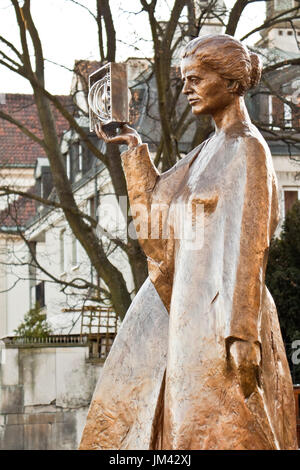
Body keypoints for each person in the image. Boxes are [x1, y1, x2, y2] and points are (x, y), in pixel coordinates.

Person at [79, 35, 297, 450]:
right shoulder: (206, 151)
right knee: (186, 434)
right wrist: (132, 146)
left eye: (196, 78)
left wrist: (243, 333)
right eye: (183, 80)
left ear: (231, 82)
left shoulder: (246, 148)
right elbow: (158, 221)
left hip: (225, 319)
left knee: (227, 433)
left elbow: (250, 244)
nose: (185, 89)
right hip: (190, 317)